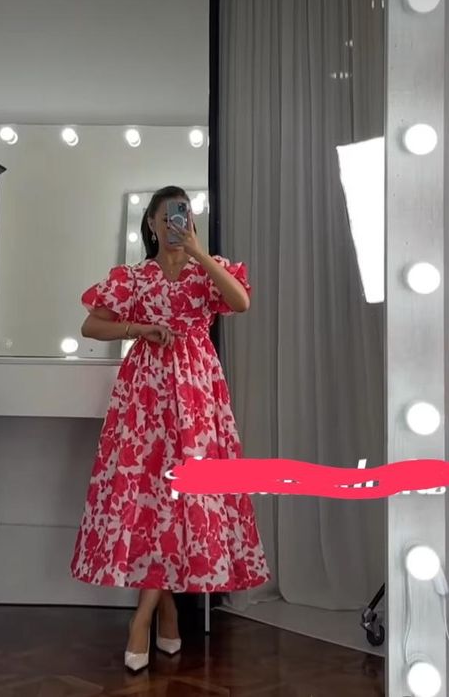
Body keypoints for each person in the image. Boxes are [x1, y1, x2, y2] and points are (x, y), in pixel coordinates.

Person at [70, 185, 269, 672]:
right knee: (148, 499)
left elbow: (241, 302)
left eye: (186, 215)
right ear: (153, 223)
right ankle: (164, 610)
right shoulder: (135, 277)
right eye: (170, 217)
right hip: (145, 395)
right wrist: (138, 329)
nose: (179, 223)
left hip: (198, 395)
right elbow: (91, 327)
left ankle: (145, 615)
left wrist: (199, 253)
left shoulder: (208, 270)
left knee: (185, 501)